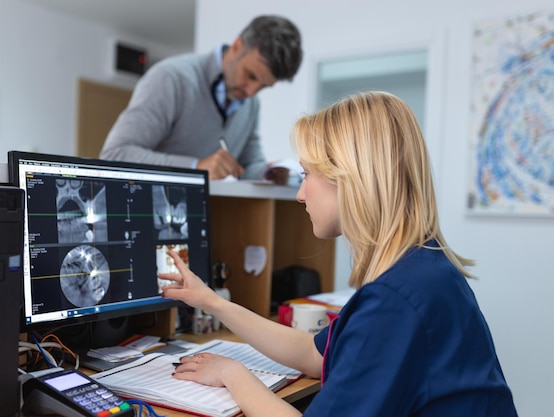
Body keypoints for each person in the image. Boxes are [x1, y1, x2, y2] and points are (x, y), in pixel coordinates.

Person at [159, 91, 518, 416]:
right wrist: (212, 301)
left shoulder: (396, 301)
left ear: (350, 177)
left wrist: (232, 373)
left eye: (306, 174)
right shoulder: (422, 266)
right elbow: (315, 355)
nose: (300, 195)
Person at [100, 15, 302, 184]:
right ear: (237, 46)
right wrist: (196, 167)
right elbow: (116, 154)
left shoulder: (251, 105)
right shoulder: (171, 78)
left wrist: (267, 173)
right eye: (250, 75)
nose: (251, 92)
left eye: (264, 86)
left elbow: (248, 166)